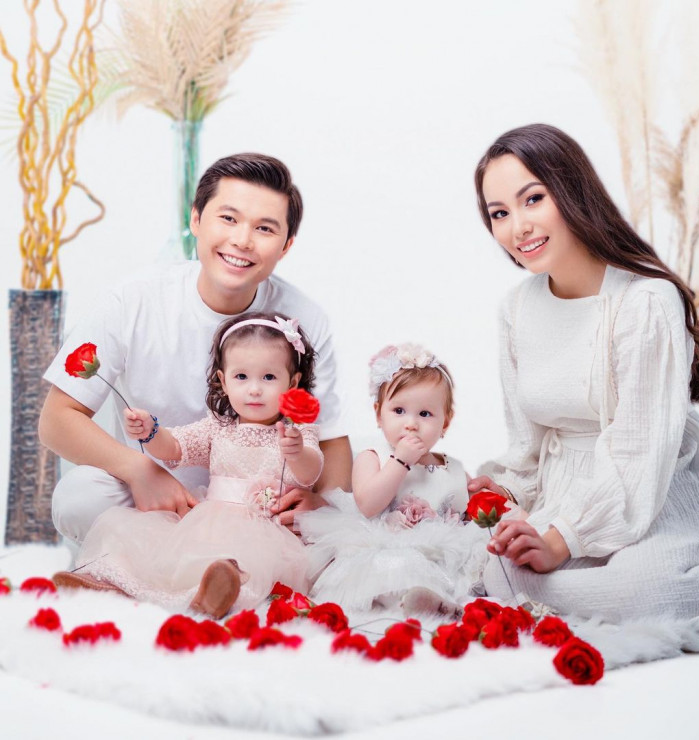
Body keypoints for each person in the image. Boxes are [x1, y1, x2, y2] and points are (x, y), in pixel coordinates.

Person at [470, 123, 699, 624]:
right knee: (499, 570)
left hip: (655, 487)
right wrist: (505, 492)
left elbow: (639, 453)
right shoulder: (516, 309)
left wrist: (560, 540)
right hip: (566, 490)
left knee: (645, 593)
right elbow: (527, 444)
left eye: (533, 199)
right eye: (500, 213)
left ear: (572, 191)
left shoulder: (646, 301)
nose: (518, 227)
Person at [39, 153, 351, 544]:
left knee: (334, 522)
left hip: (261, 511)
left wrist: (319, 504)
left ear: (286, 246)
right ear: (196, 220)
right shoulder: (132, 299)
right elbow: (56, 420)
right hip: (154, 502)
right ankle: (152, 563)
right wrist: (140, 470)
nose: (242, 240)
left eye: (264, 228)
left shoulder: (305, 318)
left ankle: (221, 568)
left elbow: (331, 439)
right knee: (80, 495)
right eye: (229, 218)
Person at [53, 312, 322, 618]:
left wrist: (297, 452)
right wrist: (151, 431)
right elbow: (175, 447)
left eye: (269, 377)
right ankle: (109, 582)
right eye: (241, 377)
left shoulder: (297, 432)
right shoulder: (217, 427)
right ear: (223, 380)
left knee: (242, 564)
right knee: (155, 547)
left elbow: (310, 473)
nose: (254, 389)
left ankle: (219, 592)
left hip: (266, 534)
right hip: (208, 524)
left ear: (293, 383)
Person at [300, 343, 489, 613]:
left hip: (442, 558)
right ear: (379, 414)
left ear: (445, 423)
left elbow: (466, 515)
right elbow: (368, 505)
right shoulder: (373, 458)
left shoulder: (453, 468)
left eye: (425, 414)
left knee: (482, 561)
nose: (411, 424)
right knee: (396, 569)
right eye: (399, 411)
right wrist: (400, 461)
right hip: (388, 550)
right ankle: (414, 600)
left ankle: (440, 602)